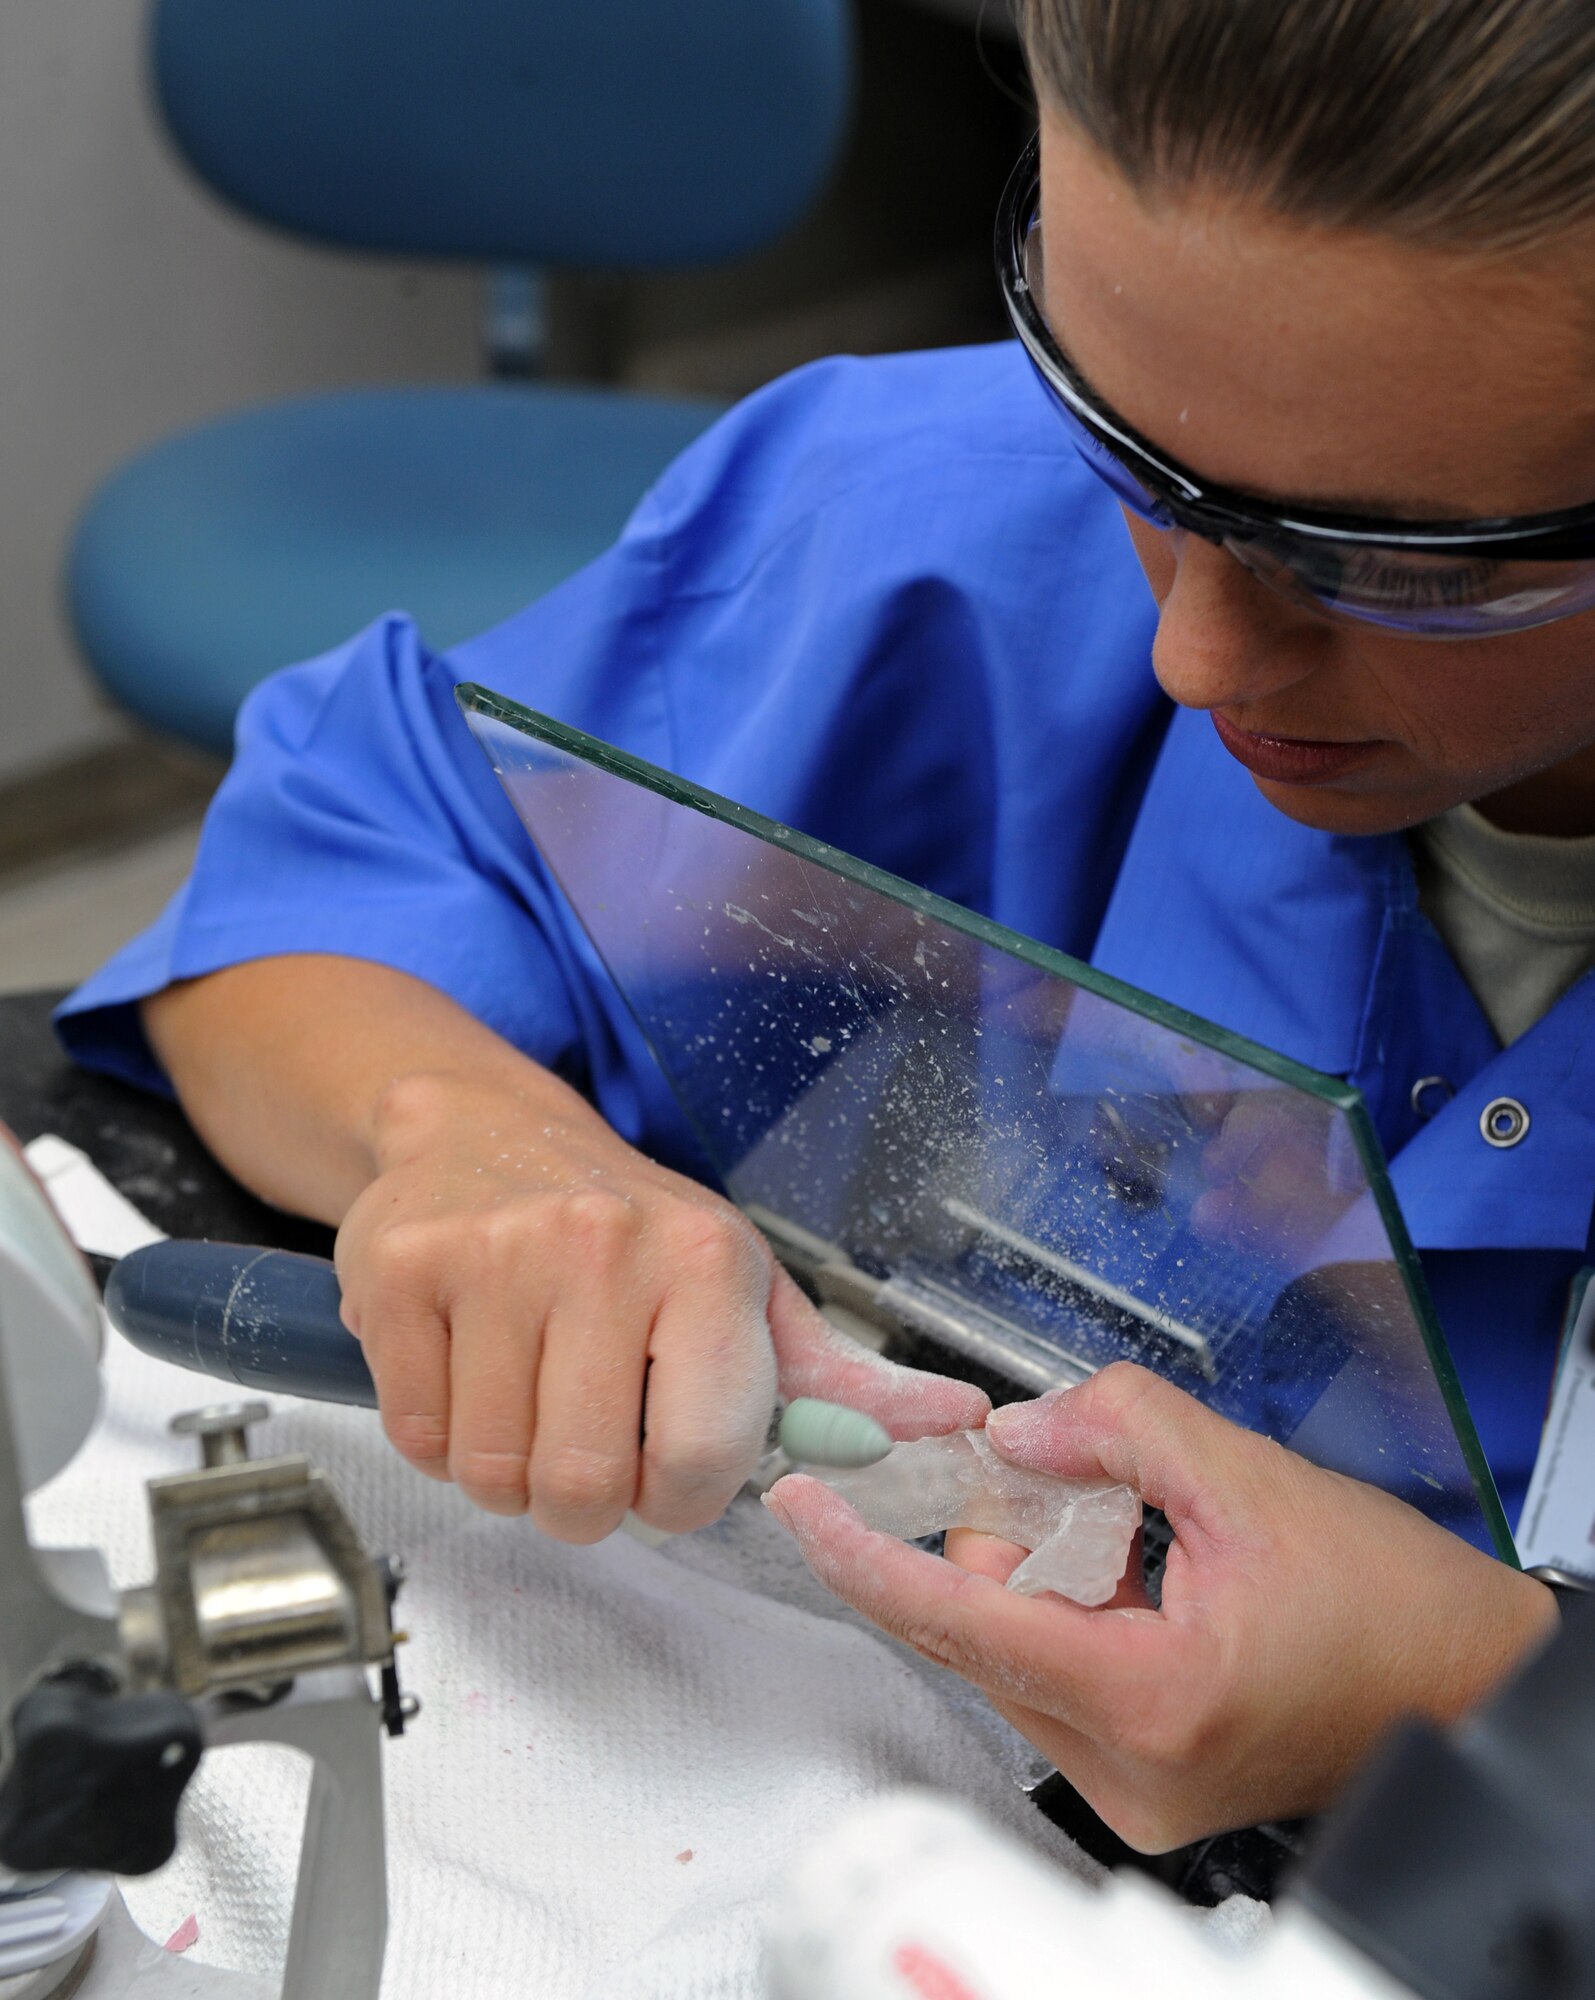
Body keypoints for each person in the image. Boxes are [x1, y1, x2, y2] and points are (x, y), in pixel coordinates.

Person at [60, 0, 1593, 1849]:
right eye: (1124, 443)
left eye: (1381, 566)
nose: (1196, 657)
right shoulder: (921, 522)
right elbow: (317, 898)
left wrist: (1477, 1706)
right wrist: (471, 1136)